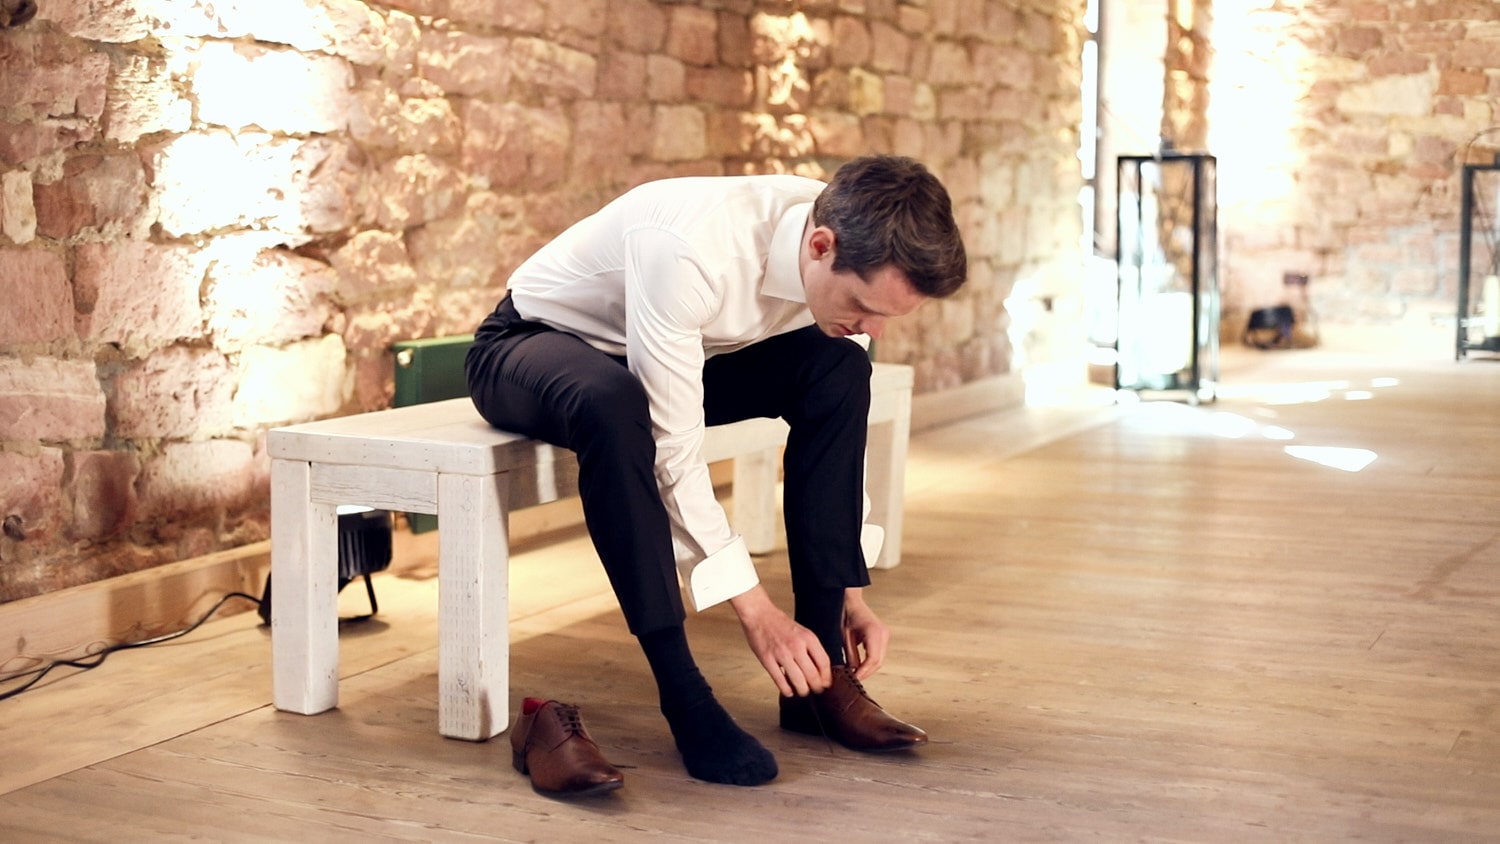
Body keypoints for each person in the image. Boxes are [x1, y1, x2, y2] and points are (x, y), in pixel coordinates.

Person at [465, 154, 968, 794]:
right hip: (529, 345)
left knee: (840, 366)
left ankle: (820, 678)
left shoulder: (853, 234)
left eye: (887, 318)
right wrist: (756, 611)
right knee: (615, 409)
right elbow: (673, 453)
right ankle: (684, 696)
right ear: (820, 247)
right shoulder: (692, 249)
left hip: (681, 354)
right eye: (865, 306)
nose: (872, 327)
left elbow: (833, 381)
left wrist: (850, 592)